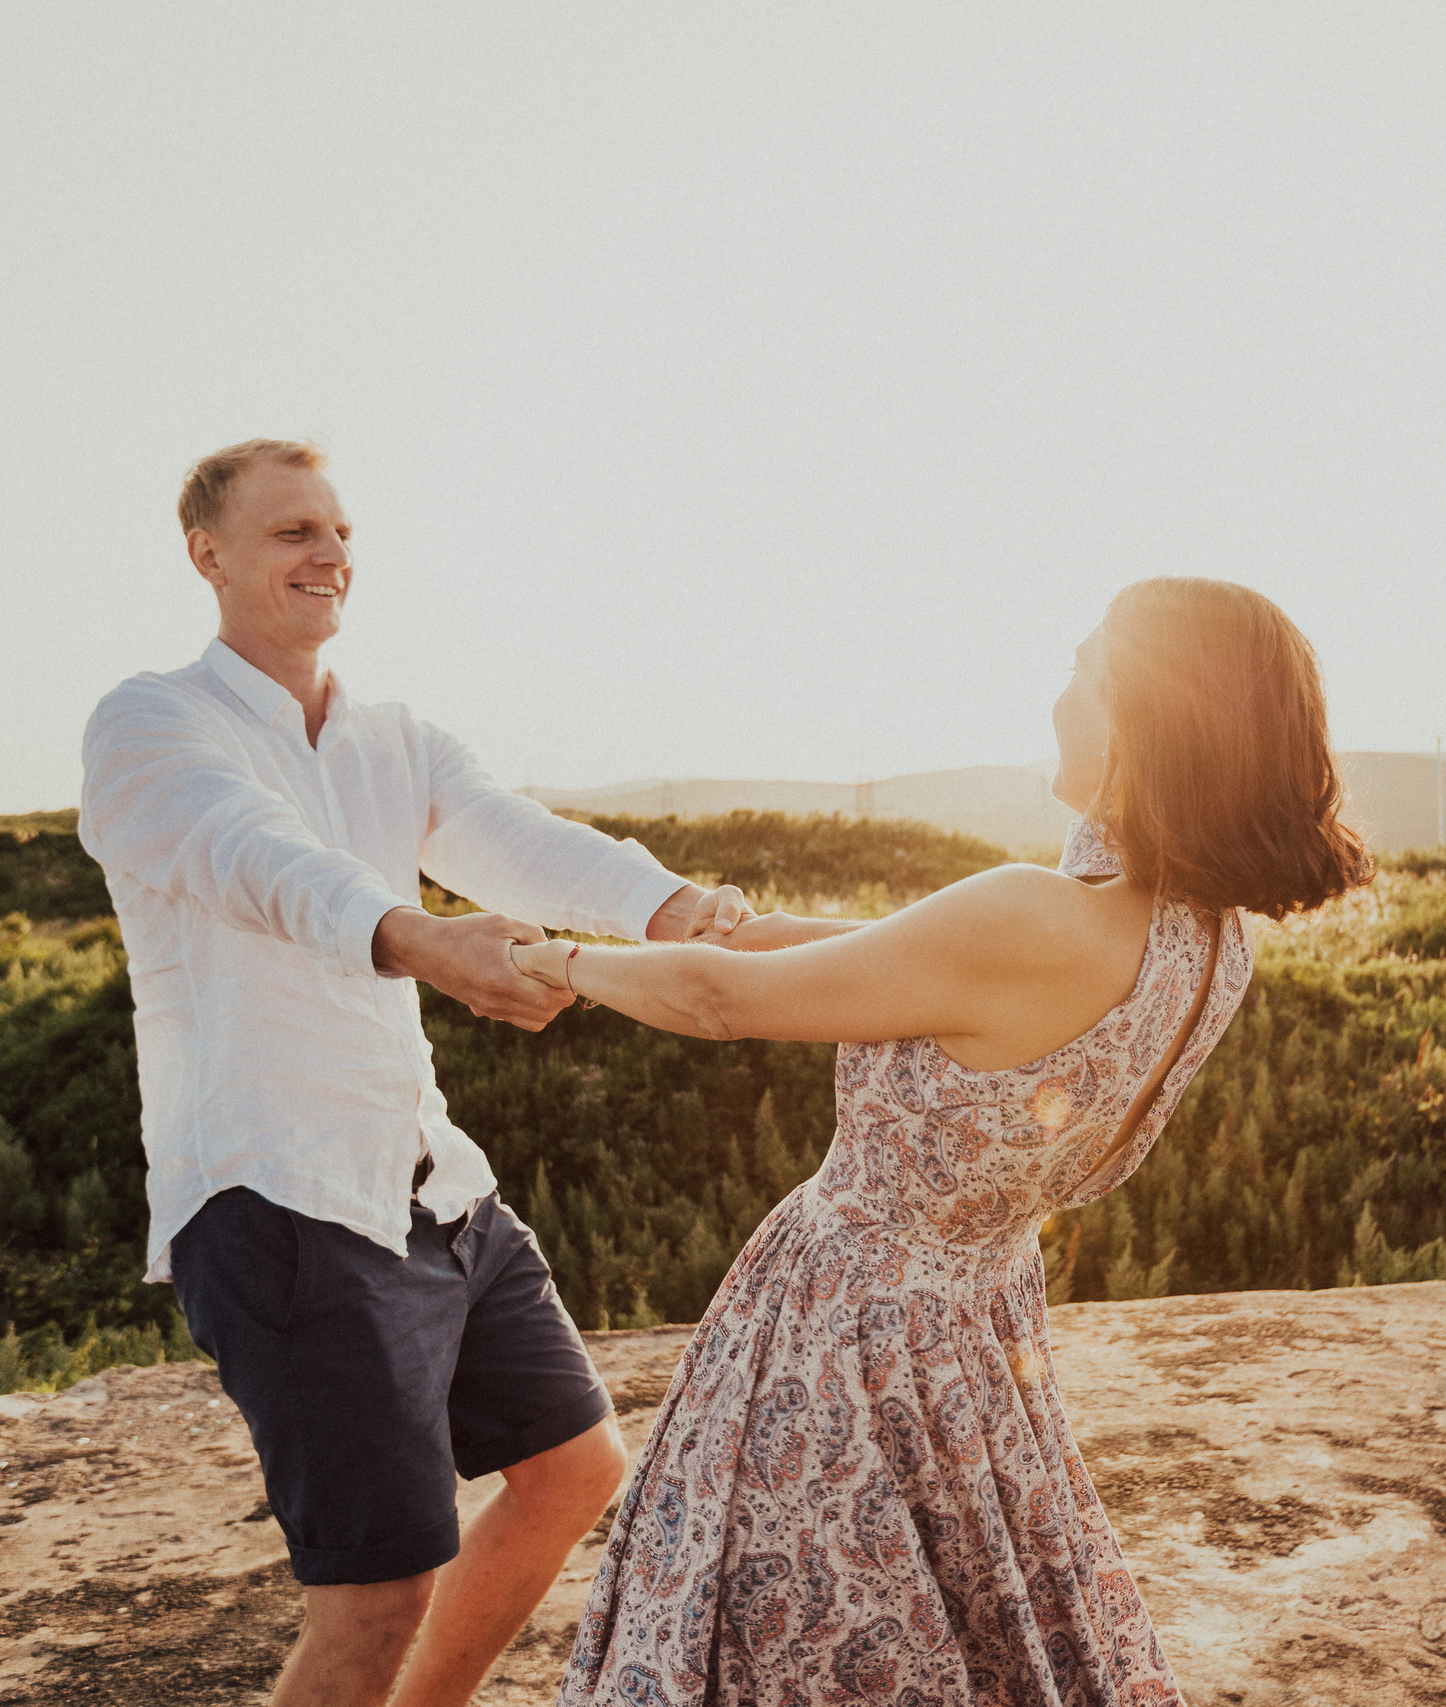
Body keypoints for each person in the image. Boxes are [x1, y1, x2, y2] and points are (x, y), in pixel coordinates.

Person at [530, 578, 1373, 1705]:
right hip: (968, 1345)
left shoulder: (1033, 916)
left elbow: (721, 1005)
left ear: (1144, 722)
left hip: (845, 1334)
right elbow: (886, 956)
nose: (1057, 696)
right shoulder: (1208, 944)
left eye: (1083, 672)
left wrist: (556, 964)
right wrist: (714, 919)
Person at [78, 439, 753, 1707]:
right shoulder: (148, 722)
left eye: (337, 531)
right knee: (376, 1591)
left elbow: (519, 842)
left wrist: (674, 909)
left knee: (572, 1468)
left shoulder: (396, 736)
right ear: (207, 555)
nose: (327, 554)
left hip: (433, 1187)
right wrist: (422, 940)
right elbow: (252, 855)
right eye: (290, 533)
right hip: (280, 1202)